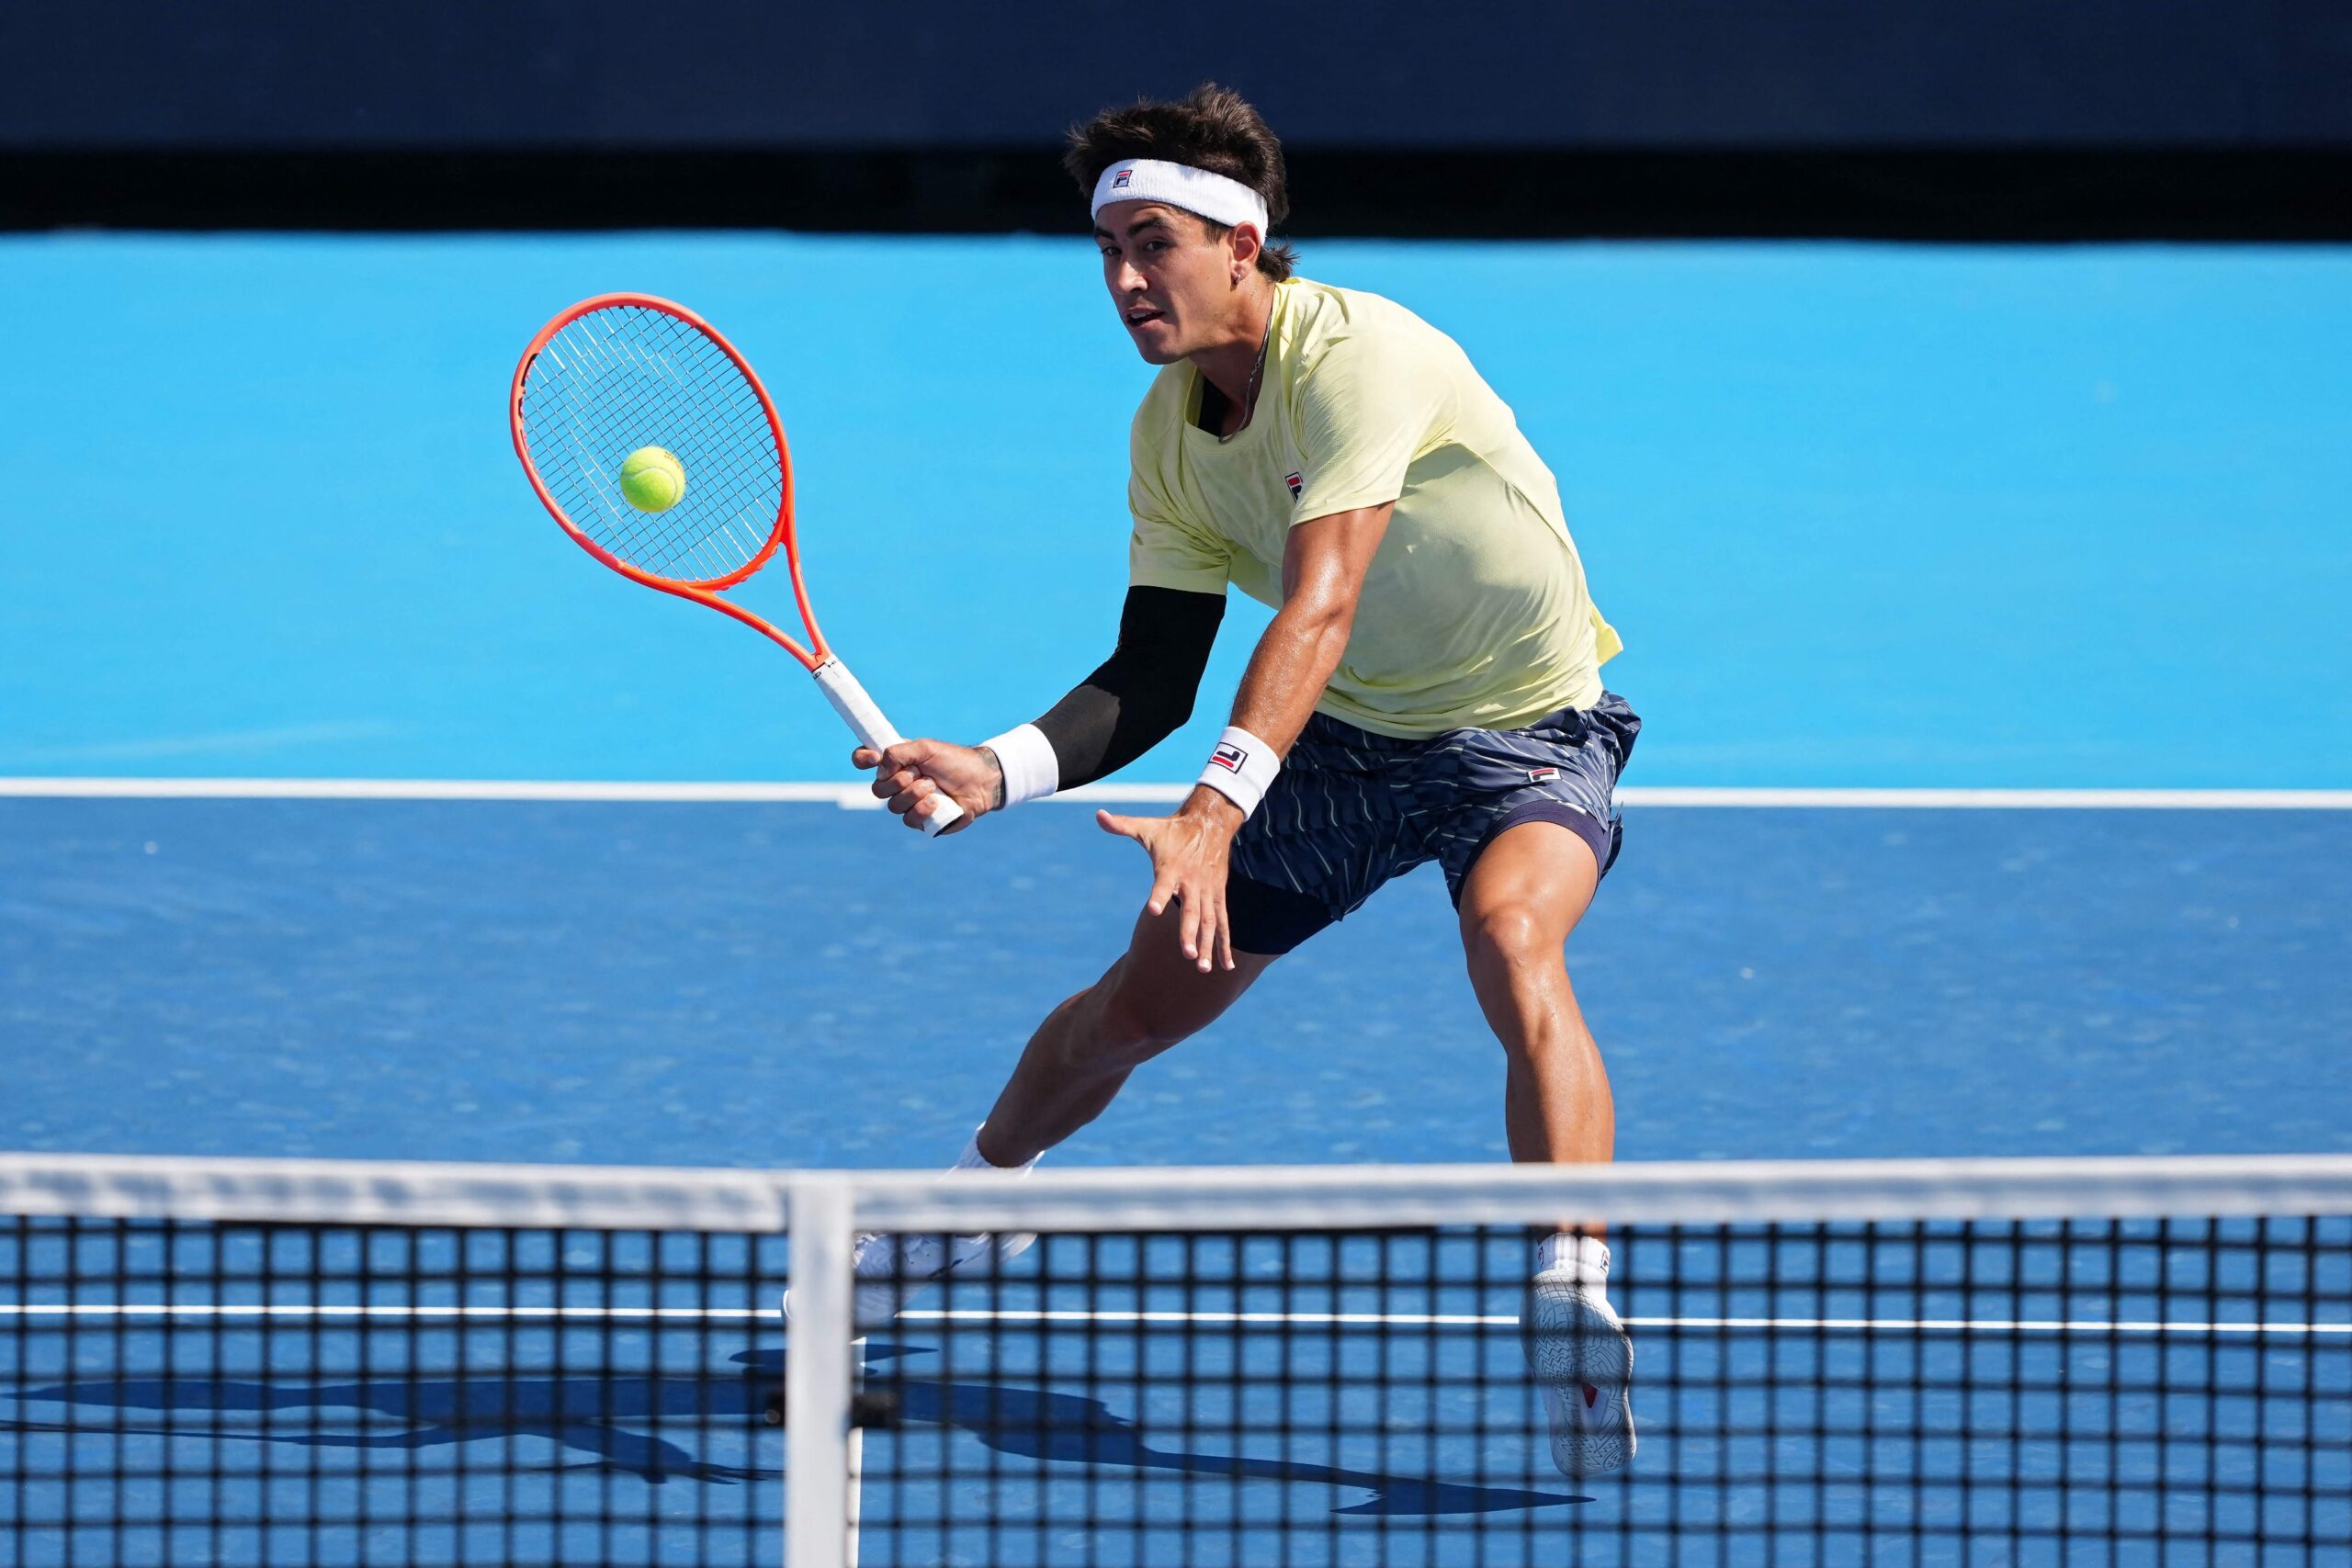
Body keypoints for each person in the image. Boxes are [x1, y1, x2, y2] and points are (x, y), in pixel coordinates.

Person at [795, 85, 1639, 1477]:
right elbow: (1155, 672)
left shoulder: (1358, 354)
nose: (1127, 281)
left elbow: (1321, 600)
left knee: (1512, 934)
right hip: (1345, 742)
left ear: (1242, 244)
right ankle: (969, 1208)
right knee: (1135, 1010)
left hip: (1526, 726)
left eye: (1157, 245)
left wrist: (1212, 809)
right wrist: (998, 770)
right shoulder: (1166, 437)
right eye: (1109, 252)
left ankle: (1571, 1284)